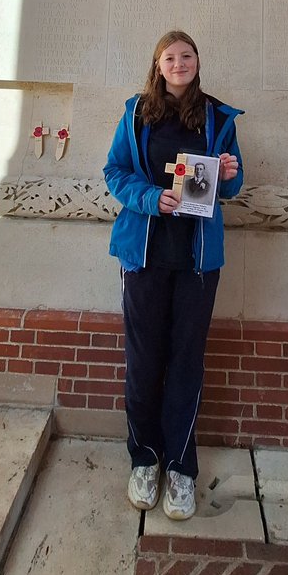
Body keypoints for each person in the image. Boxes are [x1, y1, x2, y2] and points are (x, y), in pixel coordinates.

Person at [104, 29, 244, 520]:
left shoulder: (217, 117)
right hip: (143, 256)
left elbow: (233, 181)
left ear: (197, 62)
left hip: (197, 263)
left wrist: (230, 174)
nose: (179, 63)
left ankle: (182, 469)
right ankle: (145, 459)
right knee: (144, 360)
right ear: (158, 65)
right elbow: (114, 172)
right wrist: (149, 198)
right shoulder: (136, 113)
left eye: (187, 56)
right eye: (170, 57)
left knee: (187, 361)